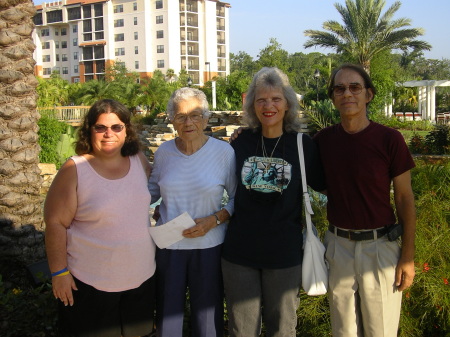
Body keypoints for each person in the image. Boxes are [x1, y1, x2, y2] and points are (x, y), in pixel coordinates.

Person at [222, 67, 326, 337]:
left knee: (282, 329)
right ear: (252, 106)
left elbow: (327, 186)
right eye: (261, 100)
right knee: (241, 330)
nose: (269, 106)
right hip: (239, 254)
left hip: (284, 254)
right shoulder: (240, 142)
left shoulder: (303, 145)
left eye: (276, 99)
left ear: (288, 103)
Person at [314, 63, 416, 337]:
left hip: (380, 249)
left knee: (380, 331)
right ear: (333, 97)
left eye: (355, 87)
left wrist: (407, 256)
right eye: (340, 88)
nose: (347, 93)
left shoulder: (389, 140)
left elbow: (405, 199)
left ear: (368, 95)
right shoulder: (322, 141)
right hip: (338, 248)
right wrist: (244, 133)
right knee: (343, 332)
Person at [44, 99, 156, 337]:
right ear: (89, 130)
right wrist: (59, 273)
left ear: (126, 130)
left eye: (116, 127)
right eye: (100, 127)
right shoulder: (74, 169)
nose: (109, 134)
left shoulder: (138, 161)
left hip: (141, 280)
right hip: (90, 285)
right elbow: (55, 223)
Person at [148, 87, 237, 337]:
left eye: (195, 115)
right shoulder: (164, 153)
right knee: (168, 321)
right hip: (169, 247)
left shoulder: (223, 153)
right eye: (181, 116)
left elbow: (236, 198)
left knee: (208, 323)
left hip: (209, 246)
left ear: (206, 118)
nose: (188, 122)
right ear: (172, 120)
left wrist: (215, 219)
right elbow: (150, 192)